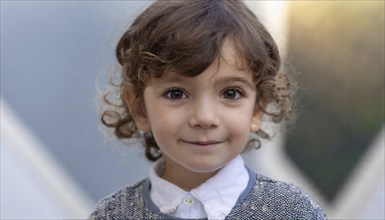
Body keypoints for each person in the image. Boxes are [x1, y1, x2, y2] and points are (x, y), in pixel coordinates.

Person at [90, 0, 326, 219]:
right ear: (139, 108)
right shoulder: (111, 215)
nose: (204, 118)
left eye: (230, 93)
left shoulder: (292, 213)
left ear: (257, 109)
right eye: (176, 93)